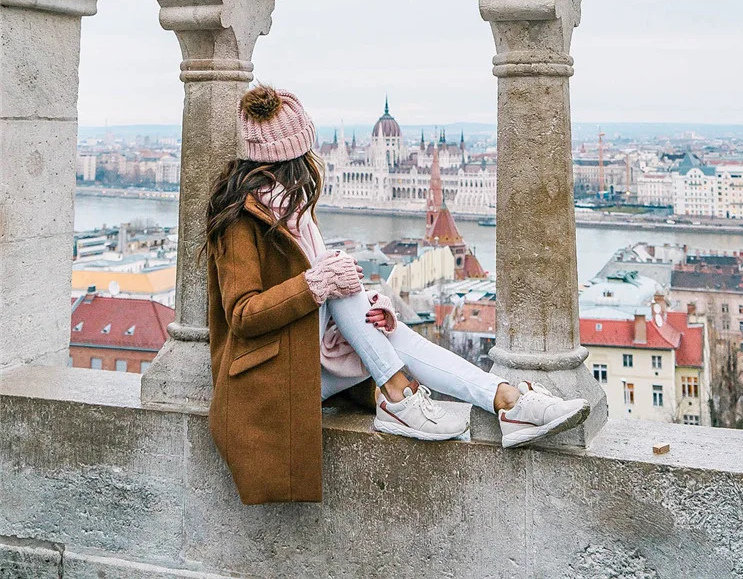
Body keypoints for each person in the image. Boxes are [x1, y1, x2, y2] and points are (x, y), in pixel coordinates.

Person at [206, 85, 590, 504]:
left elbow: (321, 291)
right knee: (340, 275)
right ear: (289, 158)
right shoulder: (239, 221)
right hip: (268, 379)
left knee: (377, 318)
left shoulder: (292, 212)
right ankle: (404, 395)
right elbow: (243, 315)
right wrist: (318, 284)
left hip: (305, 358)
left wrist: (369, 304)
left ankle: (503, 399)